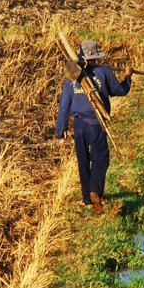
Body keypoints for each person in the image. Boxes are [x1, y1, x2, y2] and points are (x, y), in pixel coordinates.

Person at [56, 40, 133, 215]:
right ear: (95, 56)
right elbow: (120, 90)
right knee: (101, 159)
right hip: (97, 123)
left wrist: (61, 131)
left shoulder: (72, 77)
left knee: (83, 161)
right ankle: (95, 191)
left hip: (79, 125)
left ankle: (87, 200)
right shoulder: (103, 72)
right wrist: (128, 77)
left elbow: (64, 105)